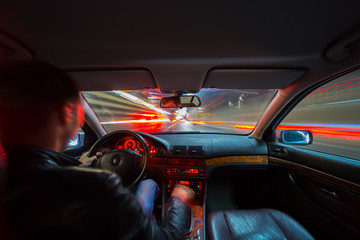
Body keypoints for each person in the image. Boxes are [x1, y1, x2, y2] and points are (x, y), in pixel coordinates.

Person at [0, 61, 194, 240]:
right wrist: (178, 200)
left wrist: (83, 164)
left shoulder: (11, 176)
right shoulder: (97, 187)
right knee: (149, 183)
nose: (82, 119)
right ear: (66, 113)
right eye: (80, 110)